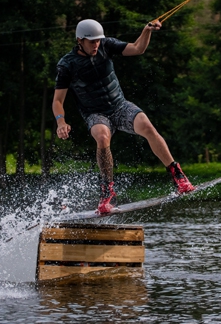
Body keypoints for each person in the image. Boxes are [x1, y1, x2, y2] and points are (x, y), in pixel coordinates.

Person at [52, 19, 195, 214]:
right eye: (91, 41)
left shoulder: (106, 45)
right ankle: (107, 193)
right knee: (102, 137)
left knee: (147, 126)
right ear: (80, 40)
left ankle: (177, 175)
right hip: (96, 113)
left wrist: (147, 31)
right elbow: (58, 100)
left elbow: (137, 48)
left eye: (97, 41)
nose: (95, 45)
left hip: (120, 106)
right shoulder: (67, 64)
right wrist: (61, 121)